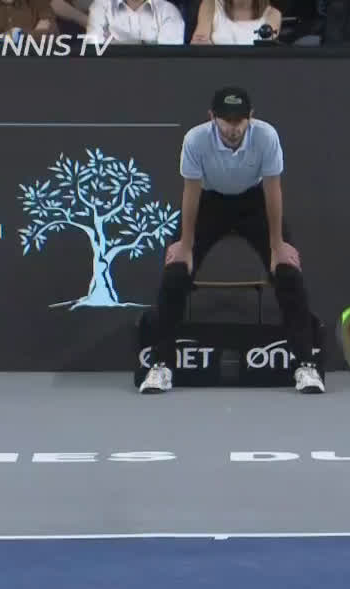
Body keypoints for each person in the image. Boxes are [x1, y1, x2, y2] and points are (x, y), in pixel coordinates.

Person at [139, 86, 325, 396]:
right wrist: (186, 245)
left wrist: (277, 245)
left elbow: (273, 190)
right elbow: (191, 192)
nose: (233, 127)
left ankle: (306, 365)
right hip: (209, 203)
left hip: (254, 203)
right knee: (175, 274)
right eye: (226, 120)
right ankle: (160, 365)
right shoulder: (195, 140)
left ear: (251, 117)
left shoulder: (266, 137)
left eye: (239, 120)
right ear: (212, 117)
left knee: (287, 273)